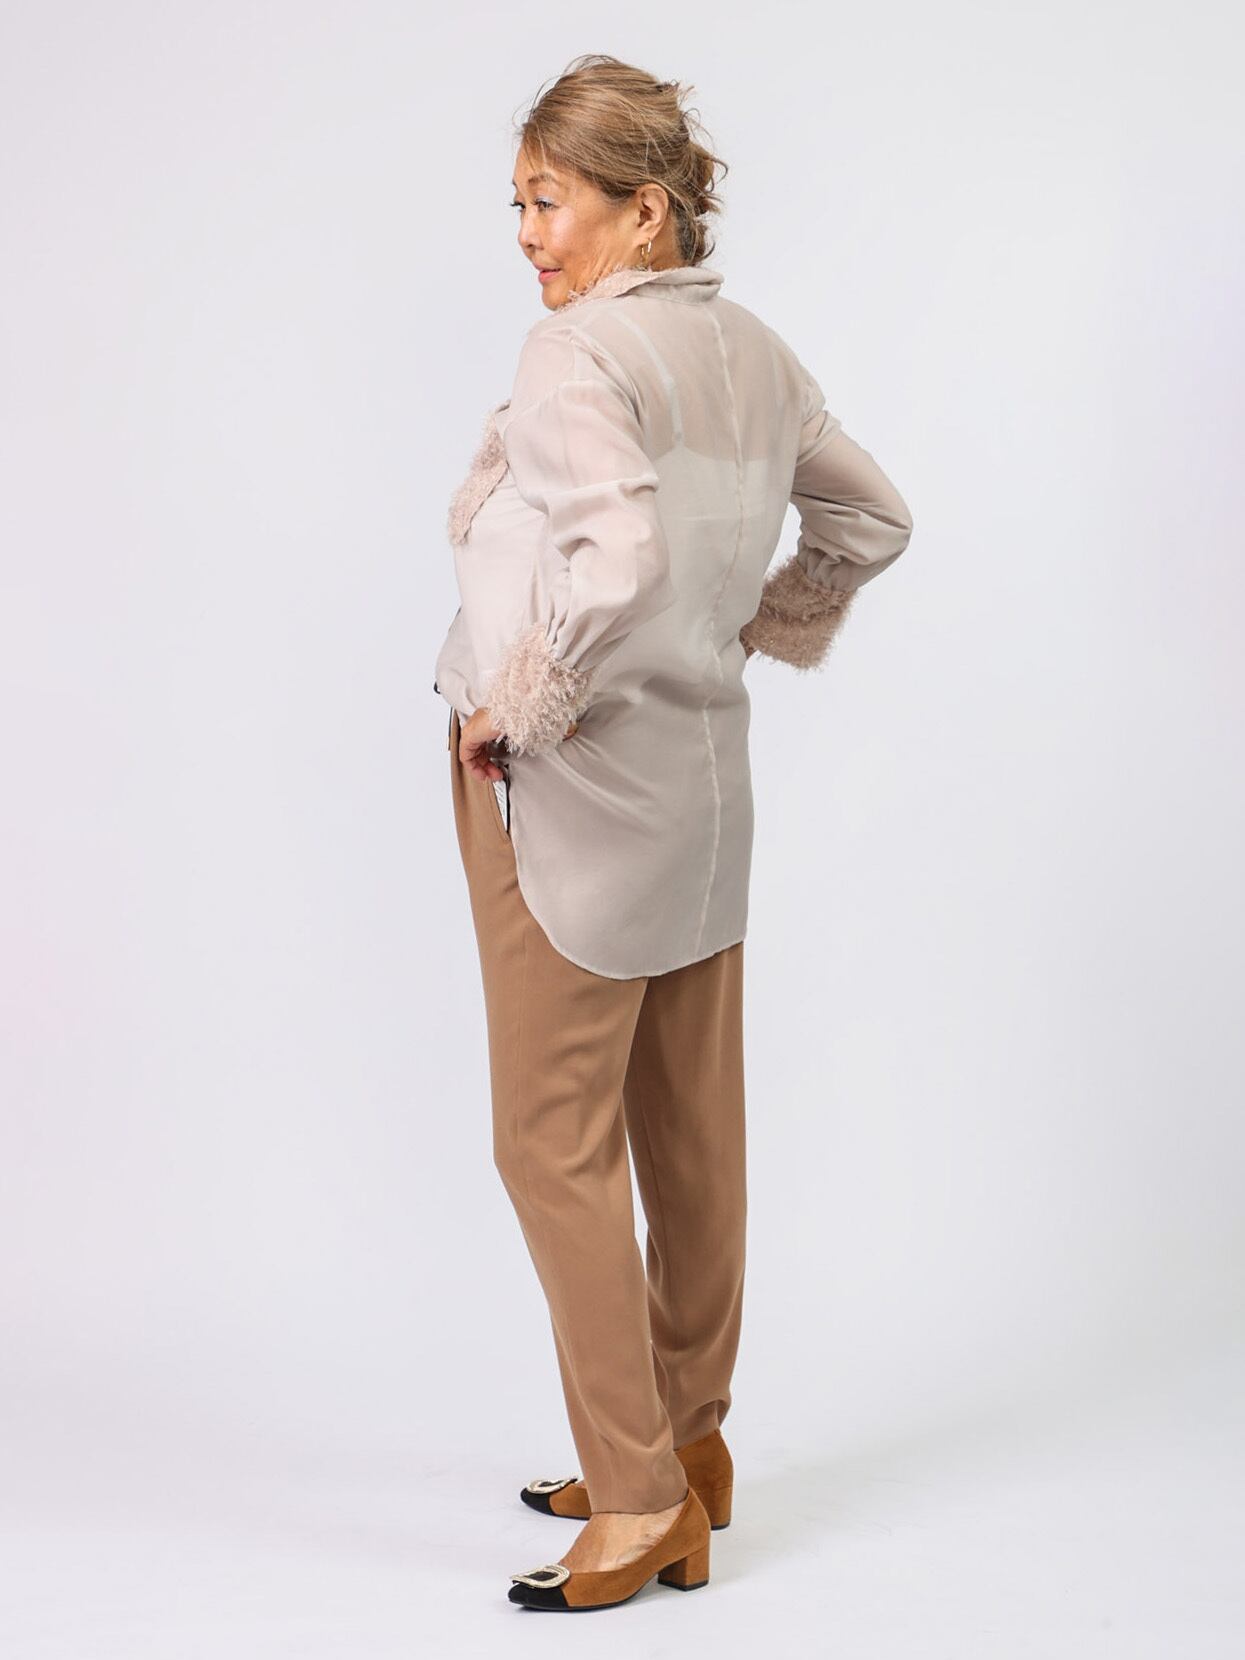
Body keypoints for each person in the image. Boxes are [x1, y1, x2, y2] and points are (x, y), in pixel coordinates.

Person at [433, 53, 914, 1612]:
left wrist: (522, 701)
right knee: (690, 1136)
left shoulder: (575, 351)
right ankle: (682, 1449)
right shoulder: (754, 351)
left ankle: (637, 1496)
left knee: (549, 1142)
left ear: (644, 211)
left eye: (549, 200)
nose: (527, 233)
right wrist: (759, 626)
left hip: (573, 795)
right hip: (703, 791)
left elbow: (615, 550)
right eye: (517, 202)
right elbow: (872, 517)